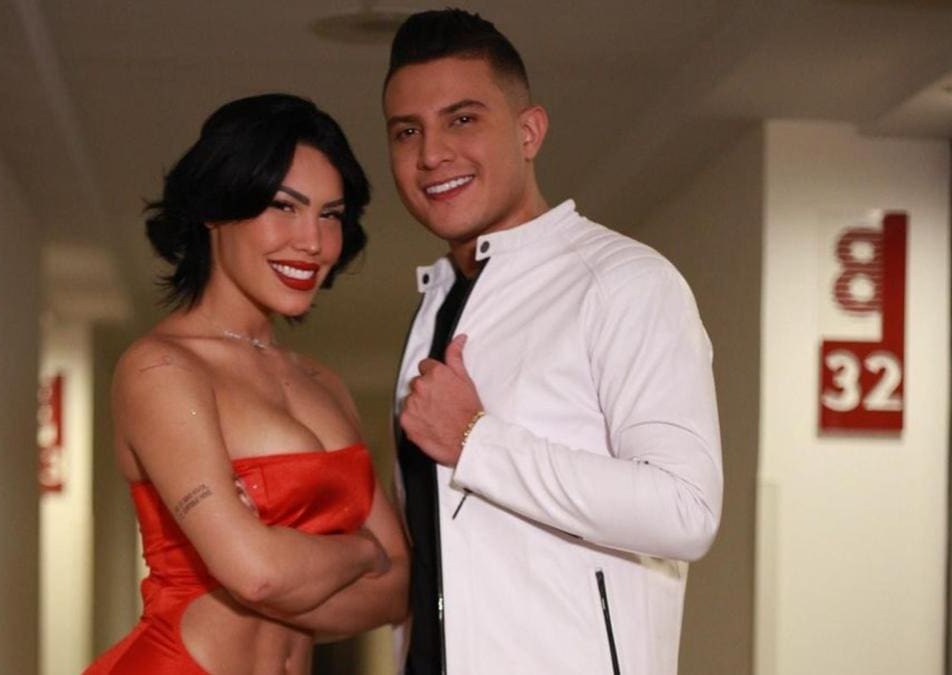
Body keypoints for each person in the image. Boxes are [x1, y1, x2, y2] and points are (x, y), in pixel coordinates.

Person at [382, 10, 723, 675]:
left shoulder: (623, 282)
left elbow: (687, 509)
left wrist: (477, 440)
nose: (431, 154)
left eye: (462, 119)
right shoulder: (437, 303)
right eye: (407, 131)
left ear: (529, 131)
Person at [86, 93, 408, 675]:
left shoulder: (324, 384)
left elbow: (398, 590)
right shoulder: (160, 369)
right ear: (215, 207)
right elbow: (257, 575)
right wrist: (362, 553)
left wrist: (283, 565)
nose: (313, 241)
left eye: (331, 215)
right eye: (284, 206)